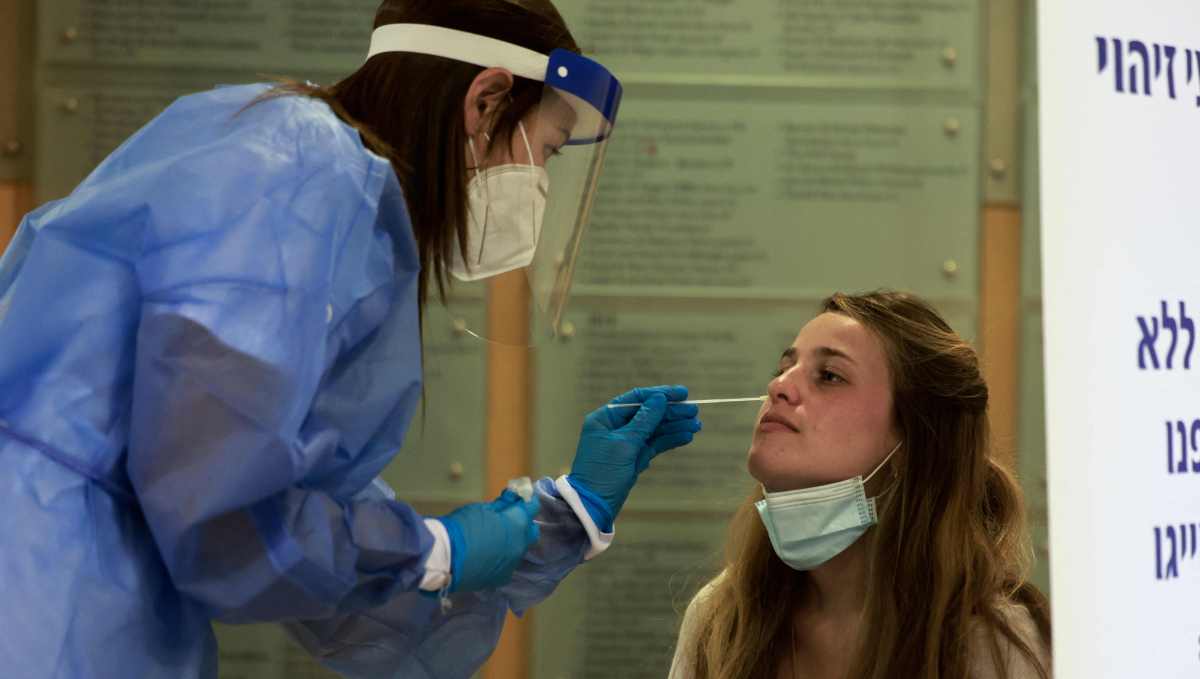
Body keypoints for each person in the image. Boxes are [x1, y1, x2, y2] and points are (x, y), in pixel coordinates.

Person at [0, 2, 702, 678]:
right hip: (40, 591)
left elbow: (306, 553)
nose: (540, 182)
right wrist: (435, 548)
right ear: (486, 102)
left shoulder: (313, 181)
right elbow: (217, 501)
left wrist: (562, 516)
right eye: (543, 149)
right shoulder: (299, 172)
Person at [668, 291, 1050, 679]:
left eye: (829, 376)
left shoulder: (997, 645)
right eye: (783, 367)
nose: (779, 386)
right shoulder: (720, 620)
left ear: (911, 443)